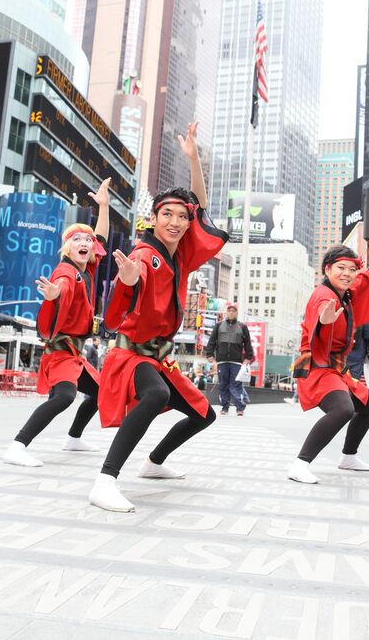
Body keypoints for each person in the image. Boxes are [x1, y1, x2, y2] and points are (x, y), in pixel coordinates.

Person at [89, 122, 227, 513]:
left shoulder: (180, 253)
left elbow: (200, 208)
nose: (176, 222)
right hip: (131, 355)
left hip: (159, 358)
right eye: (167, 214)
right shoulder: (144, 254)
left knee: (204, 414)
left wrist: (194, 160)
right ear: (154, 217)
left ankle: (154, 462)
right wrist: (130, 281)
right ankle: (105, 480)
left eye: (182, 216)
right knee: (156, 394)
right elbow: (125, 297)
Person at [4, 179, 111, 466]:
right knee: (64, 397)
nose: (84, 243)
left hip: (75, 353)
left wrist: (103, 207)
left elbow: (100, 238)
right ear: (66, 248)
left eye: (87, 240)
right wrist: (54, 295)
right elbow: (62, 285)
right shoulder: (66, 271)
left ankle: (73, 438)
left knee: (100, 391)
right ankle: (17, 446)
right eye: (77, 239)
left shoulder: (87, 268)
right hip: (60, 352)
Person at [287, 220, 369, 485]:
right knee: (342, 409)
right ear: (327, 269)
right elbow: (320, 316)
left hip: (336, 368)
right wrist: (324, 320)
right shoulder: (323, 295)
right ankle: (300, 464)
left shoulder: (347, 293)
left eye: (352, 269)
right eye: (341, 268)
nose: (347, 274)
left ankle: (348, 456)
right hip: (317, 366)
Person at [205, 302, 254, 416]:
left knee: (236, 384)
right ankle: (224, 407)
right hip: (222, 360)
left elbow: (247, 343)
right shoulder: (219, 325)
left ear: (237, 313)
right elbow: (212, 340)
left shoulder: (242, 327)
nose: (231, 313)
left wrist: (248, 357)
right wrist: (209, 355)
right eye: (229, 310)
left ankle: (240, 408)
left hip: (236, 361)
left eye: (234, 311)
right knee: (223, 384)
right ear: (226, 312)